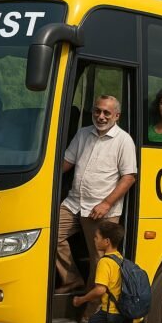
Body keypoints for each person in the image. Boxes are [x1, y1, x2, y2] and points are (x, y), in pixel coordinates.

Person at [55, 95, 137, 298]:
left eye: (106, 113)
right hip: (74, 203)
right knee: (47, 234)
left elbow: (129, 177)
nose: (101, 116)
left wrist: (106, 204)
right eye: (97, 111)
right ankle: (71, 279)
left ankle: (92, 312)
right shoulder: (83, 134)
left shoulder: (124, 140)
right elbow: (66, 163)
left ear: (116, 116)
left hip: (100, 209)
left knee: (99, 260)